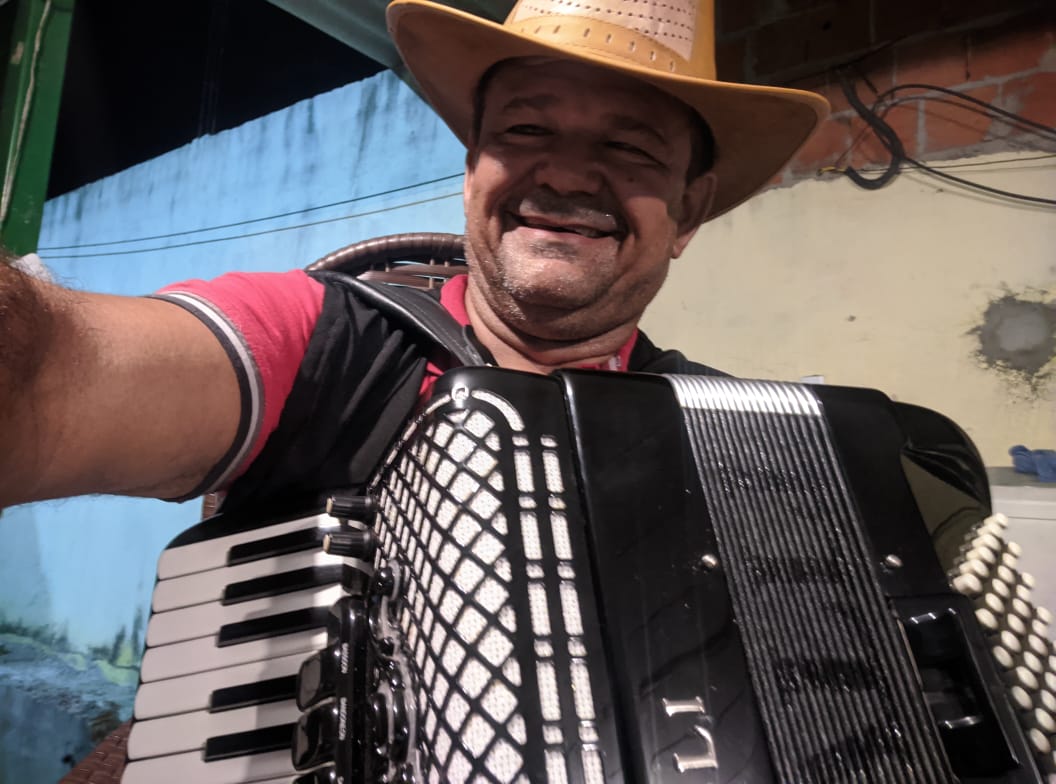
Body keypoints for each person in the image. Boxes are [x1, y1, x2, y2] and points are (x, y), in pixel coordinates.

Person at [0, 0, 828, 511]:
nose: (568, 174)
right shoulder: (323, 343)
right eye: (524, 128)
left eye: (630, 146)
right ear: (471, 173)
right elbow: (45, 375)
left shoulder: (735, 445)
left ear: (689, 212)